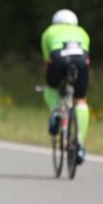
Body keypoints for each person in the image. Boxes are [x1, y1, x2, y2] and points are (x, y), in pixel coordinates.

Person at [41, 9, 91, 164]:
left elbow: (47, 60)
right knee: (81, 100)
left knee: (50, 88)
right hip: (81, 60)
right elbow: (86, 52)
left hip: (58, 58)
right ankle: (80, 144)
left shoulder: (49, 32)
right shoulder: (82, 32)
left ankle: (56, 113)